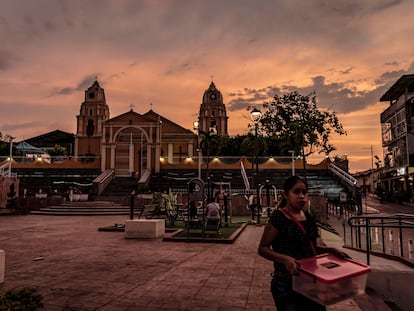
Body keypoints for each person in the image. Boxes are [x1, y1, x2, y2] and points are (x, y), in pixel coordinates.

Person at [258, 175, 349, 311]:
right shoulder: (278, 217)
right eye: (296, 192)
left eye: (304, 192)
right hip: (286, 283)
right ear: (286, 195)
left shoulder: (309, 218)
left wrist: (332, 251)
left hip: (311, 282)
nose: (301, 196)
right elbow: (263, 248)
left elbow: (313, 247)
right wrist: (285, 259)